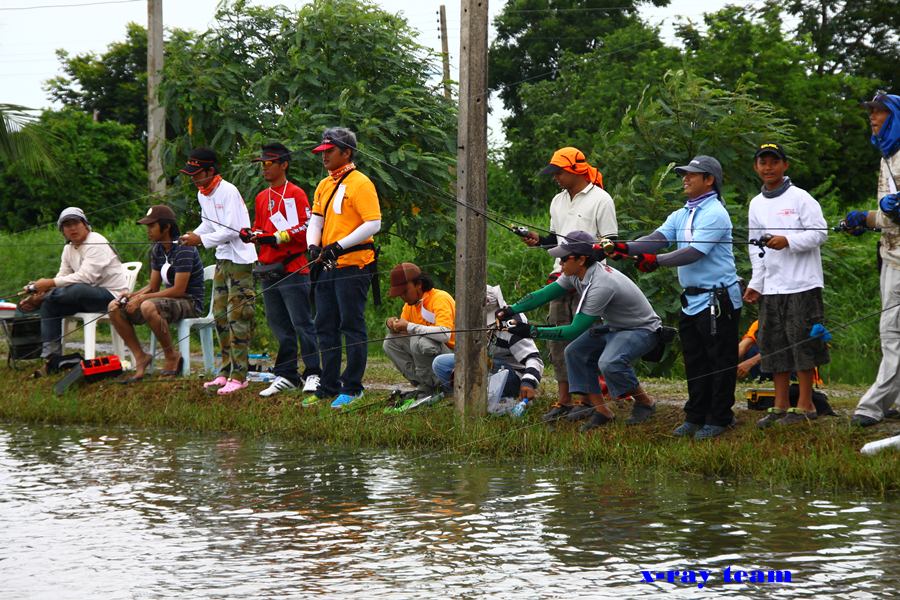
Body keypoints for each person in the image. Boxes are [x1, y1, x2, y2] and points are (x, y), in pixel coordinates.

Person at [608, 155, 741, 439]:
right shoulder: (683, 213)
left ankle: (719, 418)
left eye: (692, 174)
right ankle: (695, 416)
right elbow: (657, 238)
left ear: (710, 180)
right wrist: (623, 247)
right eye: (685, 173)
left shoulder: (715, 212)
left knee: (719, 360)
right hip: (692, 300)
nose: (685, 177)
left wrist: (655, 261)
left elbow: (694, 251)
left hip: (718, 301)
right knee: (695, 360)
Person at [497, 231, 660, 432]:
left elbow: (572, 331)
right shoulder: (575, 274)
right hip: (615, 327)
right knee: (574, 352)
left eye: (564, 258)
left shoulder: (601, 285)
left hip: (641, 329)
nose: (560, 262)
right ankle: (602, 411)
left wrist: (531, 331)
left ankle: (645, 402)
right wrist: (511, 309)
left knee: (608, 362)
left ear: (581, 259)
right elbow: (544, 294)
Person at [518, 147, 618, 423]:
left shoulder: (601, 200)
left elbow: (609, 245)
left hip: (590, 280)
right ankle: (564, 400)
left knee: (584, 341)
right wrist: (539, 240)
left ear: (575, 170)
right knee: (557, 340)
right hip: (561, 276)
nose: (555, 178)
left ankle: (587, 399)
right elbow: (557, 240)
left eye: (559, 173)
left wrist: (581, 267)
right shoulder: (557, 201)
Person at [743, 142, 829, 427]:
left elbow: (820, 233)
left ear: (785, 165)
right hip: (772, 287)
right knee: (773, 345)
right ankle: (780, 405)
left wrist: (788, 240)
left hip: (802, 283)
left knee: (802, 343)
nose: (768, 167)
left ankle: (805, 405)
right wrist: (757, 282)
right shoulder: (756, 203)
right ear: (756, 167)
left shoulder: (800, 198)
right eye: (763, 162)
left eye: (774, 162)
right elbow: (755, 247)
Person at [306, 127, 381, 409]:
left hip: (353, 264)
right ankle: (327, 386)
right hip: (326, 265)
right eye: (321, 152)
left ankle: (353, 387)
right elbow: (315, 220)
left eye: (329, 151)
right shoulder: (324, 184)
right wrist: (314, 245)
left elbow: (373, 224)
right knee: (324, 324)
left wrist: (339, 245)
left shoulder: (361, 183)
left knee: (351, 325)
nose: (323, 157)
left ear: (346, 152)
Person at [239, 143, 321, 398]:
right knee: (278, 325)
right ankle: (286, 374)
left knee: (302, 322)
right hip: (269, 268)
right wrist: (251, 235)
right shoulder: (262, 197)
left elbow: (305, 227)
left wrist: (277, 237)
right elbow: (260, 227)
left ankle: (314, 373)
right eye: (262, 164)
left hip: (293, 268)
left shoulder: (295, 193)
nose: (264, 168)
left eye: (268, 163)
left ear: (283, 164)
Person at [179, 147, 258, 396]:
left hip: (240, 260)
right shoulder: (203, 194)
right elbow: (208, 224)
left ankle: (240, 376)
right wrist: (192, 234)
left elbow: (233, 230)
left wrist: (200, 241)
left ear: (210, 170)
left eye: (197, 173)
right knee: (221, 317)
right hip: (223, 258)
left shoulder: (228, 191)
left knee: (238, 316)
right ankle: (225, 373)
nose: (193, 178)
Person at [843, 91, 900, 427]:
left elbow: (890, 213)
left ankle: (874, 404)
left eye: (879, 112)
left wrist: (871, 216)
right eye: (870, 113)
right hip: (890, 255)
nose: (872, 118)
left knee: (890, 331)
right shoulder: (886, 157)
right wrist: (863, 221)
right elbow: (887, 215)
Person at [108, 205, 205, 382]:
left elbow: (179, 290)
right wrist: (132, 295)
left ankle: (171, 356)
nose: (149, 230)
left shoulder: (184, 248)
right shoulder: (158, 249)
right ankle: (140, 356)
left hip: (189, 301)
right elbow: (153, 286)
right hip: (168, 300)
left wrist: (142, 298)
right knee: (114, 308)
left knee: (147, 305)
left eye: (152, 226)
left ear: (166, 227)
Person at [24, 207, 130, 360]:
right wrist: (43, 288)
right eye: (67, 225)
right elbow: (63, 275)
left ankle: (43, 298)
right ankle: (51, 355)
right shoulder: (68, 248)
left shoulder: (96, 241)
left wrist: (48, 285)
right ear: (62, 231)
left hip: (112, 297)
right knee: (50, 304)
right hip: (86, 298)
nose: (72, 228)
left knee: (77, 289)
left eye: (76, 223)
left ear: (85, 225)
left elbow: (86, 278)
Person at [431, 284, 544, 415]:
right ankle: (473, 395)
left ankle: (490, 396)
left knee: (487, 367)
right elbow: (469, 353)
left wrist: (528, 382)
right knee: (441, 363)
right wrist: (463, 366)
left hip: (512, 374)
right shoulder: (472, 322)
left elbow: (534, 358)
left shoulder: (511, 323)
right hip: (485, 366)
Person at [382, 262, 455, 410]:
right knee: (390, 342)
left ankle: (442, 386)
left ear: (419, 285)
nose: (402, 296)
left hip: (452, 358)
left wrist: (409, 326)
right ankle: (424, 385)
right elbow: (404, 333)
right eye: (399, 293)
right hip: (432, 355)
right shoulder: (409, 305)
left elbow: (445, 334)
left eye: (405, 291)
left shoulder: (440, 298)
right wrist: (392, 325)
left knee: (418, 340)